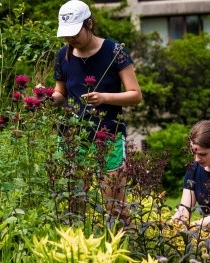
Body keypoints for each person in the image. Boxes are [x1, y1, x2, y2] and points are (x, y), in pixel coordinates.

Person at [51, 0, 142, 224]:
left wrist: (104, 97)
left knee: (115, 205)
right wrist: (45, 98)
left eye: (74, 33)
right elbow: (60, 93)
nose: (70, 40)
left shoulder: (115, 51)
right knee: (75, 203)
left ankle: (125, 249)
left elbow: (135, 94)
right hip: (74, 136)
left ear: (89, 24)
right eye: (66, 35)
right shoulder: (63, 55)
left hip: (108, 134)